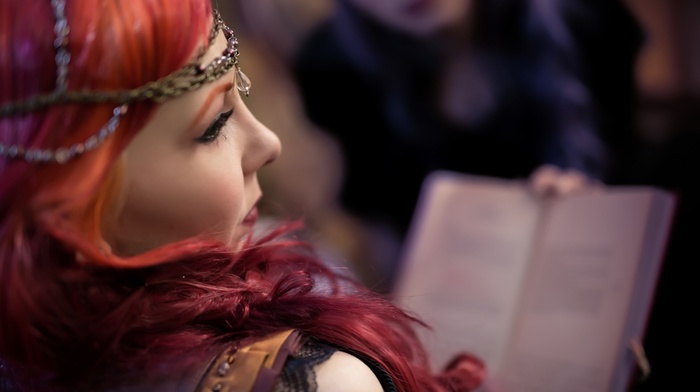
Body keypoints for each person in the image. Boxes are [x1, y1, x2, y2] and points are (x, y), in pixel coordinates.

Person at [0, 0, 484, 390]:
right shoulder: (317, 381)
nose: (266, 143)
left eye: (241, 98)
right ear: (69, 212)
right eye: (213, 127)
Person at [289, 0, 644, 291]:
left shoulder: (585, 20)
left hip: (582, 275)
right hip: (452, 300)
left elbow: (626, 175)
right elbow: (379, 227)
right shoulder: (333, 66)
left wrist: (587, 204)